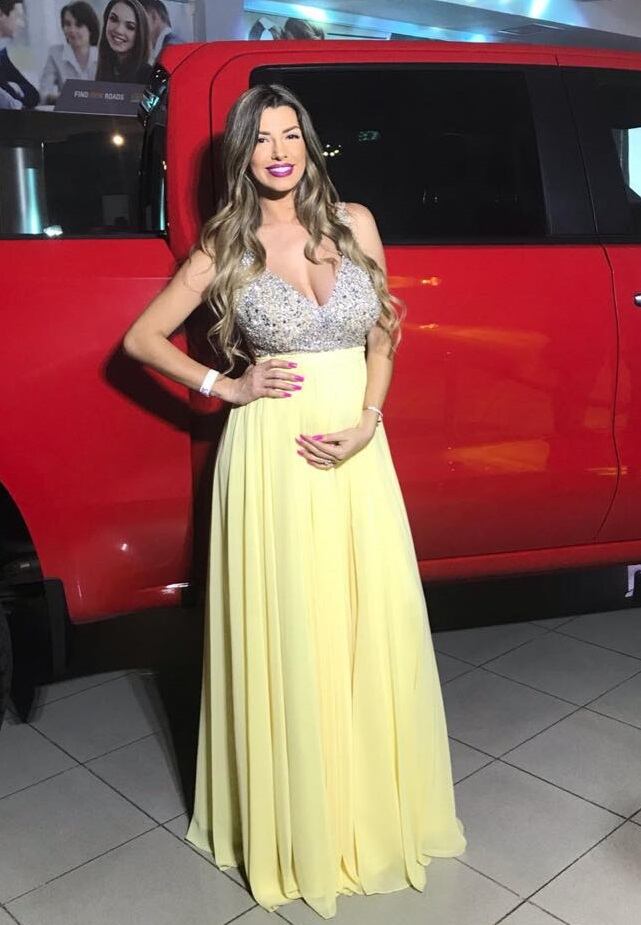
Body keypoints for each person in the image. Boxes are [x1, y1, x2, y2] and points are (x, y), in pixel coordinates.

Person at [122, 83, 466, 919]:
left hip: (356, 449)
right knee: (293, 630)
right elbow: (139, 339)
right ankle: (297, 822)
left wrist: (369, 420)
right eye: (261, 139)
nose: (277, 152)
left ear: (308, 145)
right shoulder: (226, 243)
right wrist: (224, 385)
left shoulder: (355, 222)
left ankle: (367, 808)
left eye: (290, 135)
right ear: (241, 156)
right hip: (271, 456)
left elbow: (383, 334)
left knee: (366, 621)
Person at [39, 2, 99, 105]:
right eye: (67, 24)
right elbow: (43, 94)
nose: (72, 30)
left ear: (90, 28)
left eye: (78, 25)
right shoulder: (55, 53)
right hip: (67, 111)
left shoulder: (104, 56)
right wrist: (63, 97)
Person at [95, 0, 152, 85]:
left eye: (130, 27)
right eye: (113, 19)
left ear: (140, 34)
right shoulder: (104, 66)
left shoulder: (148, 76)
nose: (119, 30)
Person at [0, 0, 38, 110]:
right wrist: (13, 89)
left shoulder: (2, 56)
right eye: (17, 16)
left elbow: (34, 95)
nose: (22, 24)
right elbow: (14, 105)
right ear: (1, 14)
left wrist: (14, 87)